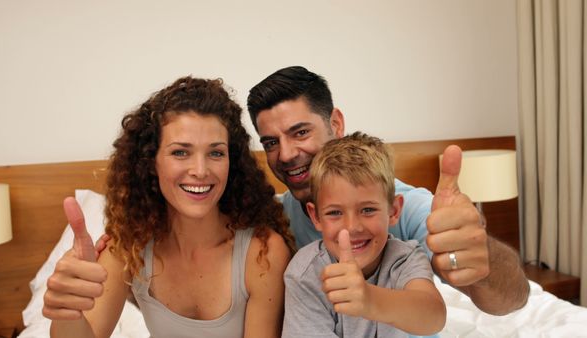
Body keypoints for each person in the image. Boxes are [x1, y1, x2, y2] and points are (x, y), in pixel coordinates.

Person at [247, 66, 529, 316]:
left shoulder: (411, 207)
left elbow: (510, 300)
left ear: (336, 124)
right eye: (271, 143)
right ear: (315, 216)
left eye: (300, 133)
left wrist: (481, 256)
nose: (285, 155)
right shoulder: (277, 218)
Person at [42, 76, 294, 338]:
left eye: (216, 153)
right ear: (151, 162)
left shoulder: (263, 253)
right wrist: (67, 310)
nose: (200, 170)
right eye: (180, 152)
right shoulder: (130, 247)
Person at [283, 132, 446, 337]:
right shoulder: (304, 274)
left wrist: (370, 299)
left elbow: (434, 316)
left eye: (368, 210)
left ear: (394, 210)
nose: (352, 227)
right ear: (315, 217)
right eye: (335, 213)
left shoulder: (405, 258)